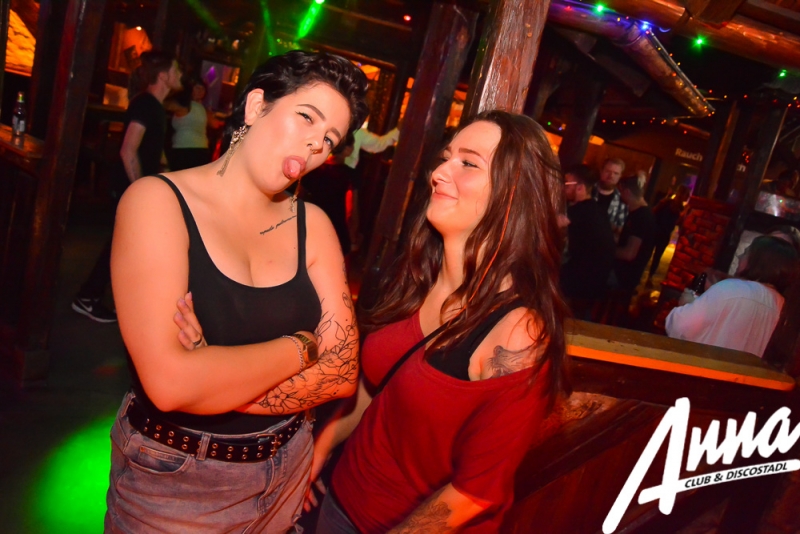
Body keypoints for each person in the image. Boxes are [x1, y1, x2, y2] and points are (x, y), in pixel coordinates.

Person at [105, 50, 369, 532]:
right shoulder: (157, 202)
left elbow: (343, 374)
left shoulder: (313, 224)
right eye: (306, 117)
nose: (316, 143)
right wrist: (304, 346)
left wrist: (213, 379)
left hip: (288, 465)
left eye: (330, 137)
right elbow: (170, 385)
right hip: (177, 481)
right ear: (255, 106)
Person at [308, 111, 571, 533]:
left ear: (514, 194)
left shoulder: (517, 332)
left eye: (468, 163)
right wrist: (318, 453)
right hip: (340, 499)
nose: (439, 172)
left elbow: (474, 494)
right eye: (446, 157)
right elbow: (379, 383)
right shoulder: (420, 278)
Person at [72, 50, 182, 323]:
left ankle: (101, 297)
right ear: (163, 76)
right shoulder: (146, 105)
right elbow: (128, 150)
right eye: (176, 70)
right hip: (128, 188)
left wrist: (165, 170)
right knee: (120, 246)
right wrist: (139, 192)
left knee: (126, 245)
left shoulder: (154, 107)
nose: (180, 75)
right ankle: (88, 297)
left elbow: (151, 148)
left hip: (135, 188)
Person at [666, 235, 798, 357]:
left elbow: (680, 327)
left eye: (745, 253)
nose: (739, 257)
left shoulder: (731, 288)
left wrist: (687, 304)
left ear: (757, 262)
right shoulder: (785, 309)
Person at [560, 164, 616, 311]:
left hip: (583, 282)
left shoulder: (582, 210)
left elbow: (554, 223)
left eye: (567, 183)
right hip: (594, 280)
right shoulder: (595, 208)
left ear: (580, 187)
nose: (563, 187)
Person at [300, 133, 358, 253]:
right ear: (347, 149)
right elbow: (352, 209)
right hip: (334, 228)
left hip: (310, 224)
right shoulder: (349, 175)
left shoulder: (315, 168)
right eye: (352, 145)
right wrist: (352, 235)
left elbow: (300, 196)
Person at [166, 76, 223, 171]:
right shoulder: (183, 105)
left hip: (198, 150)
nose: (200, 91)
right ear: (190, 89)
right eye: (197, 88)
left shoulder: (203, 109)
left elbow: (215, 124)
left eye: (202, 89)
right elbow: (166, 104)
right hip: (184, 149)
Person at [613, 175, 656, 294]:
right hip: (624, 275)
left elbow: (629, 254)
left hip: (623, 276)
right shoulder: (639, 213)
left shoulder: (641, 217)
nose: (619, 195)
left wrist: (605, 249)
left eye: (620, 191)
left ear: (627, 192)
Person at [648, 185, 691, 281]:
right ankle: (647, 277)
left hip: (663, 233)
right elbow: (654, 212)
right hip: (657, 231)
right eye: (687, 195)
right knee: (649, 254)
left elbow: (678, 223)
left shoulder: (677, 206)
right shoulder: (668, 203)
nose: (688, 197)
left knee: (656, 256)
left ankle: (649, 277)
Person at [592, 157, 628, 238]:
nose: (611, 176)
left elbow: (620, 231)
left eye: (616, 173)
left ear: (620, 176)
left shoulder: (622, 200)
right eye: (608, 171)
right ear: (601, 171)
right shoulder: (587, 190)